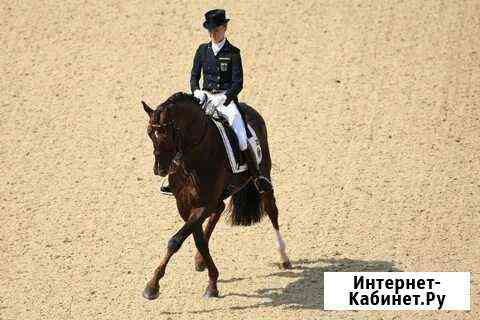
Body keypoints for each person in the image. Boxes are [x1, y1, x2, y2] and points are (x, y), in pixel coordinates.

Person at [160, 9, 272, 195]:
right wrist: (196, 91)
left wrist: (224, 97)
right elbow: (194, 76)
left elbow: (238, 83)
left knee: (241, 134)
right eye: (211, 30)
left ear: (225, 27)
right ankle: (173, 177)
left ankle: (257, 176)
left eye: (217, 29)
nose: (214, 33)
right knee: (183, 130)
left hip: (226, 101)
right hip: (204, 97)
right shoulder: (202, 51)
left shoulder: (233, 53)